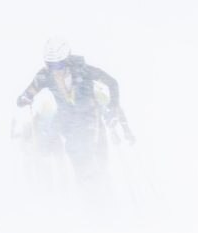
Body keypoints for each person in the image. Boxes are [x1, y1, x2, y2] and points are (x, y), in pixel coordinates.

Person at [15, 38, 135, 182]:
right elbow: (28, 92)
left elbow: (112, 83)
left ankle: (105, 189)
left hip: (92, 120)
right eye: (50, 65)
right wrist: (25, 98)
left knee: (99, 162)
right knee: (78, 159)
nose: (55, 70)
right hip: (69, 124)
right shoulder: (45, 75)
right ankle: (88, 193)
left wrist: (113, 107)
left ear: (67, 60)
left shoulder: (84, 71)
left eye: (58, 65)